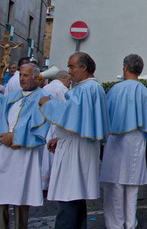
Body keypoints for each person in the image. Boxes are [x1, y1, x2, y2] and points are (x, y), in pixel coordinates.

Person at [38, 52, 109, 229]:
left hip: (75, 150)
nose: (69, 71)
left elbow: (69, 113)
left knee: (69, 195)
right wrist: (59, 138)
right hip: (75, 145)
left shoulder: (86, 88)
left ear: (83, 68)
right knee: (76, 195)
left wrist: (48, 102)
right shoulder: (90, 87)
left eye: (71, 66)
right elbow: (78, 121)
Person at [100, 54, 147, 229]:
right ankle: (131, 223)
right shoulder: (143, 90)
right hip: (137, 138)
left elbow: (106, 116)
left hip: (116, 138)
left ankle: (115, 223)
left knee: (115, 183)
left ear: (125, 68)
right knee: (132, 184)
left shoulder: (116, 89)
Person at [0, 63, 50, 229]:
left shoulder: (43, 97)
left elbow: (41, 125)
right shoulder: (11, 96)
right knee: (2, 193)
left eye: (26, 75)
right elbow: (2, 117)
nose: (22, 78)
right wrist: (4, 136)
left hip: (24, 155)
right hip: (5, 153)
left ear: (35, 77)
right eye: (20, 75)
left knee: (21, 195)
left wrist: (16, 138)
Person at [41, 70, 71, 191]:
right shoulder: (62, 89)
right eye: (69, 80)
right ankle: (53, 183)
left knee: (44, 156)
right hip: (56, 125)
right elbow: (66, 109)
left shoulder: (45, 87)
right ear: (64, 78)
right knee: (54, 155)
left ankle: (44, 183)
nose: (69, 83)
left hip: (44, 124)